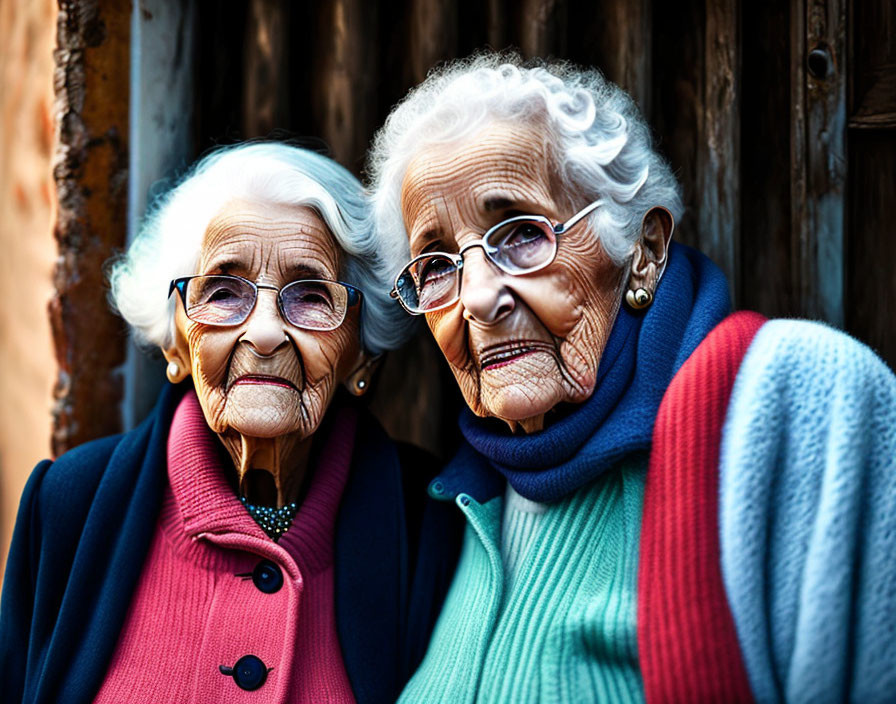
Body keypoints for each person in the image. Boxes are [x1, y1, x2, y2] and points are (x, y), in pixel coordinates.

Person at [368, 54, 896, 703]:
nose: (476, 297)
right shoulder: (458, 508)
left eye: (522, 235)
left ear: (643, 251)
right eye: (437, 265)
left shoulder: (798, 400)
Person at [0, 142, 460, 704]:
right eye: (223, 291)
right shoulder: (69, 504)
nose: (264, 333)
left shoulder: (431, 527)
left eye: (310, 295)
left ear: (359, 355)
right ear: (177, 339)